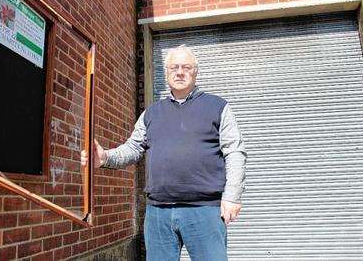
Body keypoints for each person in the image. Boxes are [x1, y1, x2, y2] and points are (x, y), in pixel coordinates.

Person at [81, 45, 246, 261]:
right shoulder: (151, 113)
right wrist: (105, 158)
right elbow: (133, 148)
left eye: (186, 67)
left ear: (195, 72)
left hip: (204, 210)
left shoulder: (217, 107)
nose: (180, 72)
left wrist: (232, 196)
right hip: (158, 212)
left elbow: (234, 152)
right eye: (174, 67)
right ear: (166, 73)